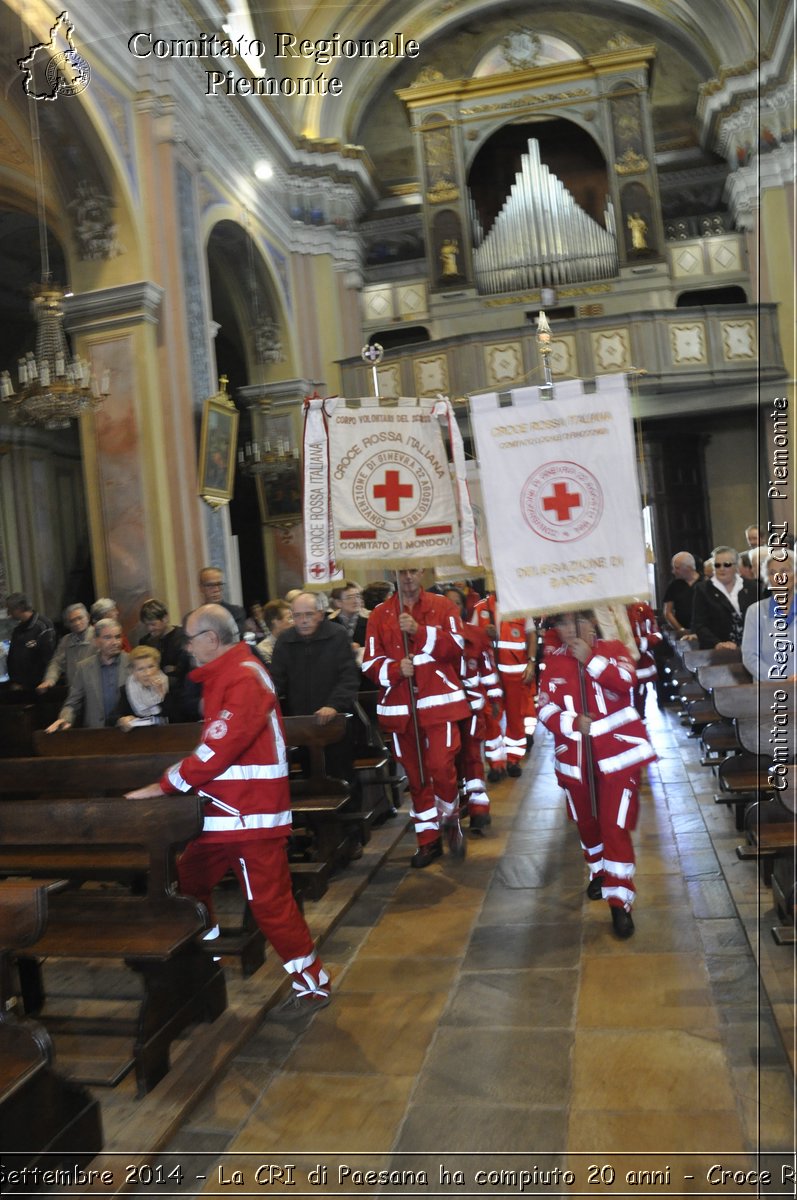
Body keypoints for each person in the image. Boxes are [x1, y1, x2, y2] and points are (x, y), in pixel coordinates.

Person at [124, 604, 330, 1017]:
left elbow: (218, 747)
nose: (186, 646)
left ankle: (313, 985)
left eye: (191, 638)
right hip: (223, 813)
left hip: (249, 816)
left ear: (211, 639)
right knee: (188, 882)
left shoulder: (244, 677)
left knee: (270, 903)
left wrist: (164, 785)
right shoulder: (227, 675)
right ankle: (209, 959)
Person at [537, 610, 656, 939]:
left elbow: (625, 681)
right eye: (561, 623)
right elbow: (544, 708)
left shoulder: (614, 649)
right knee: (588, 822)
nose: (570, 628)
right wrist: (573, 723)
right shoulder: (553, 663)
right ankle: (599, 870)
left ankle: (620, 902)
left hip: (618, 755)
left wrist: (590, 659)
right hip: (575, 759)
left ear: (592, 622)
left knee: (614, 824)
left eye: (577, 621)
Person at [362, 567, 471, 867]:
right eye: (401, 572)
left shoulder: (442, 605)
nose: (407, 577)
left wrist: (418, 632)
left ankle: (449, 818)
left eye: (412, 571)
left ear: (421, 572)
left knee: (440, 766)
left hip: (439, 705)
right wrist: (396, 670)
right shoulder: (379, 614)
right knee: (417, 777)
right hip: (400, 709)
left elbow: (456, 648)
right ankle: (428, 840)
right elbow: (370, 663)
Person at [269, 592, 360, 787]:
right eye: (297, 616)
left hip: (336, 719)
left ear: (320, 614)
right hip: (303, 723)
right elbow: (275, 682)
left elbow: (349, 677)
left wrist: (333, 706)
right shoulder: (285, 641)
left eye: (308, 615)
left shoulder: (337, 635)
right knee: (308, 773)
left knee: (340, 773)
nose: (303, 621)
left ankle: (347, 813)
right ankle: (314, 816)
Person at [471, 592, 536, 780]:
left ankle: (513, 759)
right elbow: (470, 638)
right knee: (491, 719)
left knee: (516, 718)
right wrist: (484, 633)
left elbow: (531, 635)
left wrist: (531, 662)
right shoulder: (480, 608)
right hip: (490, 676)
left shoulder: (521, 605)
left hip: (516, 674)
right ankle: (495, 764)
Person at [46, 618, 129, 730]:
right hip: (95, 733)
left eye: (118, 637)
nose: (115, 642)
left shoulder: (132, 662)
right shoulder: (83, 667)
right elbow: (72, 703)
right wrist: (65, 719)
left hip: (128, 732)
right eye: (108, 637)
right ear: (96, 641)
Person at [741, 549, 797, 681]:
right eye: (772, 573)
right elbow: (750, 656)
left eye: (785, 571)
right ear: (767, 580)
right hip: (769, 689)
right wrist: (780, 680)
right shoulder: (755, 612)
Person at [691, 546, 759, 649]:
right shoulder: (703, 589)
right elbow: (699, 625)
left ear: (736, 566)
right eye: (717, 565)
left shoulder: (753, 587)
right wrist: (718, 643)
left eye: (726, 564)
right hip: (717, 651)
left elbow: (760, 619)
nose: (721, 568)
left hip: (751, 648)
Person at [138, 598, 193, 717]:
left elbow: (183, 674)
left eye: (153, 624)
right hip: (153, 703)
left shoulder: (182, 638)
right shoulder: (145, 642)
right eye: (146, 625)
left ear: (165, 618)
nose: (150, 629)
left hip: (179, 702)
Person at [37, 602, 95, 690]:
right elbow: (56, 663)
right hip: (74, 691)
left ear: (88, 617)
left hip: (95, 689)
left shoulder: (98, 635)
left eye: (80, 618)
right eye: (72, 621)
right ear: (68, 624)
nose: (77, 623)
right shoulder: (66, 641)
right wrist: (49, 680)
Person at [5, 592, 56, 690]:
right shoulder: (18, 630)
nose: (8, 613)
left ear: (19, 608)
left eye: (10, 609)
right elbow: (13, 658)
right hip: (20, 686)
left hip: (39, 686)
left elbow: (48, 658)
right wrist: (15, 680)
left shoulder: (43, 626)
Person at [117, 645, 171, 729]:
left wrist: (163, 695)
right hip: (140, 739)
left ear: (158, 667)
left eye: (151, 666)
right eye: (141, 669)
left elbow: (180, 718)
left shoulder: (172, 684)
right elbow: (113, 718)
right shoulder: (126, 690)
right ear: (133, 672)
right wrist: (122, 720)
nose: (147, 673)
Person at [625, 600, 663, 716]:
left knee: (640, 688)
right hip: (619, 658)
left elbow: (656, 634)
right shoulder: (609, 609)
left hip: (641, 659)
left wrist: (641, 643)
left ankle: (640, 715)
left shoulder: (642, 608)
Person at [196, 566, 250, 638]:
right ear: (201, 588)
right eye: (210, 585)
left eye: (219, 584)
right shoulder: (194, 618)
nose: (216, 589)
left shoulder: (236, 612)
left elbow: (235, 637)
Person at [662, 552, 701, 639]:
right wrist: (681, 629)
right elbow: (667, 612)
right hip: (682, 634)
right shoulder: (674, 585)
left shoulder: (705, 583)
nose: (673, 571)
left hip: (702, 633)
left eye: (677, 568)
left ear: (688, 568)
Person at [255, 599, 293, 664]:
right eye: (289, 618)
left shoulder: (296, 642)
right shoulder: (264, 650)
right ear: (276, 622)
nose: (294, 622)